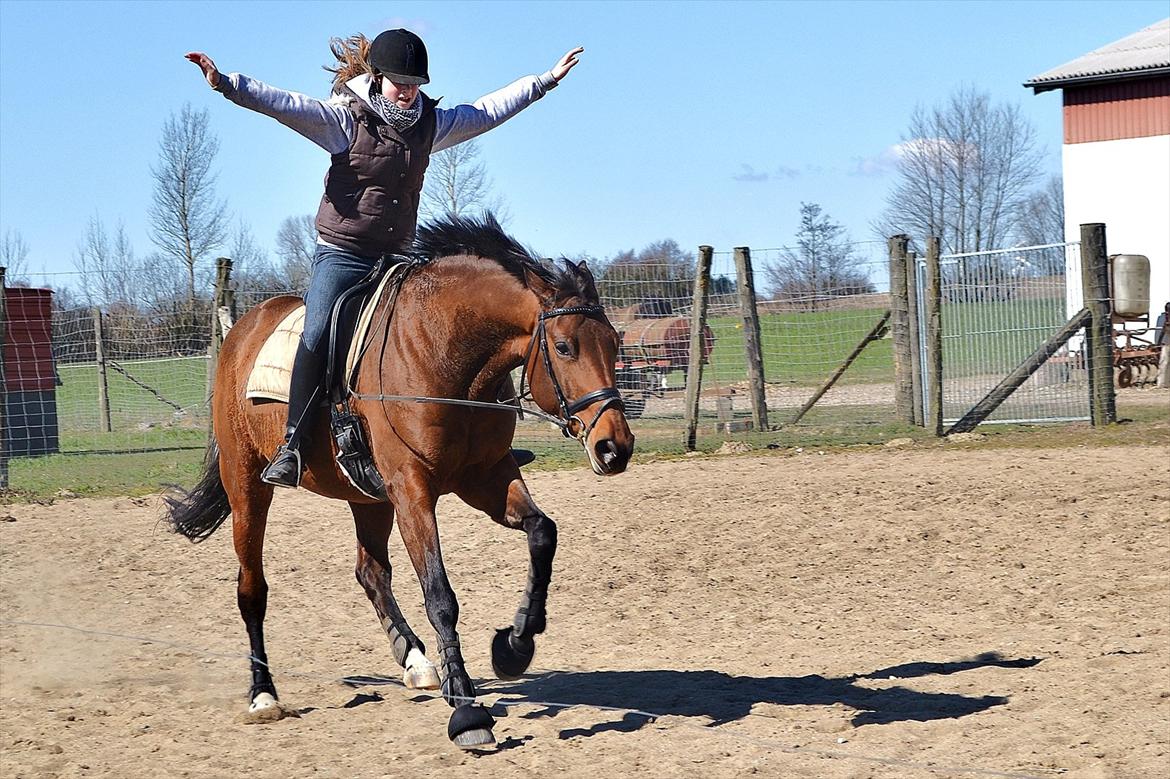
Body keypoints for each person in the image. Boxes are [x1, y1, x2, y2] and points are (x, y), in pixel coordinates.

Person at [186, 30, 583, 489]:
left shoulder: (431, 123)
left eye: (415, 82)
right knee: (317, 330)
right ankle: (293, 444)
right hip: (343, 254)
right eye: (400, 82)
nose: (409, 90)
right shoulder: (344, 120)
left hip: (397, 257)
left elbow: (488, 111)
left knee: (450, 329)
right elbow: (284, 105)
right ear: (376, 77)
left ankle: (484, 442)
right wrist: (227, 83)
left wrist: (544, 80)